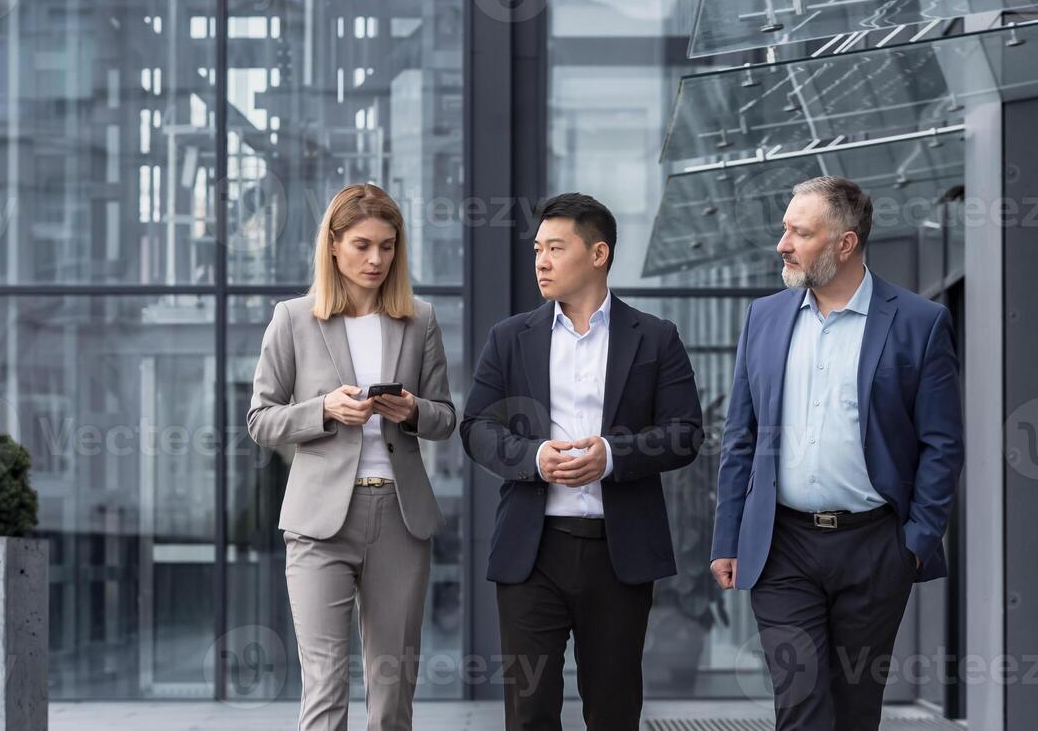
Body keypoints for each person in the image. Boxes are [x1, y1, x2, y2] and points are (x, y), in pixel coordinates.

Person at [710, 175, 964, 730]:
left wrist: (916, 541)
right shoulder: (764, 318)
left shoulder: (919, 323)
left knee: (853, 711)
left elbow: (942, 444)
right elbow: (741, 437)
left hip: (875, 548)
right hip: (782, 547)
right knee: (800, 702)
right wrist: (727, 537)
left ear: (844, 244)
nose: (783, 244)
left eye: (799, 233)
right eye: (785, 230)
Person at [460, 192, 704, 731]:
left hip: (619, 553)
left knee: (614, 713)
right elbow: (476, 428)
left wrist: (613, 455)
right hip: (532, 551)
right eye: (537, 250)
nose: (541, 261)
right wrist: (535, 457)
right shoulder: (509, 338)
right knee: (529, 715)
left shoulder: (656, 338)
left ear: (598, 254)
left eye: (555, 248)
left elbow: (686, 434)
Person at [247, 183, 456, 731]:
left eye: (387, 246)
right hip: (319, 525)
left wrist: (412, 409)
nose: (376, 259)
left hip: (399, 518)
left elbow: (447, 418)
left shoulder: (420, 320)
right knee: (324, 687)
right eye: (363, 245)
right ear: (334, 245)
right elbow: (260, 421)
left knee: (391, 694)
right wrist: (323, 410)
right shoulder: (293, 319)